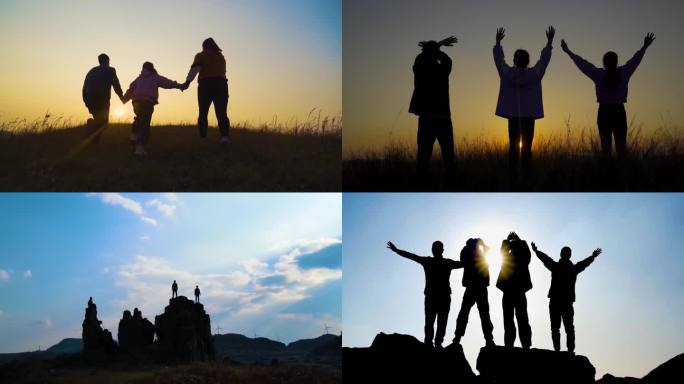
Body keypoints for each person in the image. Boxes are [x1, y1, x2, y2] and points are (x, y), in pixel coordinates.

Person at [561, 33, 655, 159]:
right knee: (621, 147)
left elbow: (582, 64)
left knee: (606, 148)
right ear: (616, 62)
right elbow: (635, 60)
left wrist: (568, 52)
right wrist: (644, 47)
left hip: (604, 111)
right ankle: (620, 174)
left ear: (604, 62)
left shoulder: (599, 75)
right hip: (618, 111)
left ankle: (608, 174)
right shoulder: (623, 72)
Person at [493, 27, 555, 177]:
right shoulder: (534, 74)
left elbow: (499, 61)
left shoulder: (507, 74)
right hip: (529, 117)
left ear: (514, 60)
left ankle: (513, 175)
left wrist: (498, 43)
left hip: (513, 117)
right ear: (528, 61)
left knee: (513, 146)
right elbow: (543, 61)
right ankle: (526, 175)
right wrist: (549, 42)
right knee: (527, 148)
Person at [387, 240, 462, 348]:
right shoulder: (446, 263)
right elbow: (463, 264)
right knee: (439, 322)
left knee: (433, 321)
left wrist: (397, 250)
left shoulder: (430, 261)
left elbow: (412, 256)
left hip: (435, 297)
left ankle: (432, 342)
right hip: (441, 297)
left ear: (434, 250)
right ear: (442, 250)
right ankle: (435, 343)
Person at [531, 242, 602, 353]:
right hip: (565, 301)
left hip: (557, 301)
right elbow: (583, 264)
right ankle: (568, 351)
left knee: (558, 328)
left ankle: (558, 350)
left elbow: (546, 259)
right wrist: (592, 257)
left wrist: (537, 252)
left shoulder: (557, 267)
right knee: (567, 328)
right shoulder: (572, 269)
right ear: (569, 255)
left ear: (561, 254)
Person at [409, 36, 458, 176]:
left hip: (427, 118)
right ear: (435, 54)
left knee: (423, 157)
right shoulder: (442, 70)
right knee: (448, 157)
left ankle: (421, 184)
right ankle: (451, 183)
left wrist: (434, 47)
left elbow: (420, 58)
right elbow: (448, 60)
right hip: (443, 118)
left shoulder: (420, 68)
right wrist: (439, 47)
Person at [122, 62, 185, 156]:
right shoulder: (155, 77)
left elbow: (131, 88)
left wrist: (125, 99)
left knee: (139, 119)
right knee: (145, 124)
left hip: (136, 103)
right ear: (152, 68)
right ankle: (139, 147)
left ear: (143, 68)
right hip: (147, 103)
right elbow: (167, 83)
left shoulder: (138, 78)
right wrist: (179, 86)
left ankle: (133, 136)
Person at [183, 37, 230, 144]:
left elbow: (195, 69)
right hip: (221, 85)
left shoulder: (201, 55)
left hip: (206, 85)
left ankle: (203, 137)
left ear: (204, 46)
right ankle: (224, 137)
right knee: (222, 112)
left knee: (203, 112)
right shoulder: (220, 57)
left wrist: (187, 82)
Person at [454, 238, 495, 346]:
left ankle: (488, 339)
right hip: (475, 286)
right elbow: (463, 258)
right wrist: (480, 243)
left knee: (478, 313)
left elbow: (488, 249)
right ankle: (488, 339)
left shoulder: (476, 253)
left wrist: (480, 243)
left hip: (475, 287)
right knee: (472, 313)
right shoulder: (470, 253)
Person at [497, 232, 533, 349]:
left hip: (512, 292)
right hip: (515, 292)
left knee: (514, 320)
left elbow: (503, 252)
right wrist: (517, 239)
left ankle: (514, 345)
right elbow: (504, 252)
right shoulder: (521, 260)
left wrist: (509, 240)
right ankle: (521, 345)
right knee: (518, 319)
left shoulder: (517, 260)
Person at [82, 54, 124, 143]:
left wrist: (85, 100)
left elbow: (84, 86)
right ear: (108, 61)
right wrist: (121, 96)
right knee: (104, 122)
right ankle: (94, 136)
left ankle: (93, 140)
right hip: (102, 98)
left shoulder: (91, 71)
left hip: (89, 97)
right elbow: (116, 84)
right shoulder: (110, 70)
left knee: (98, 120)